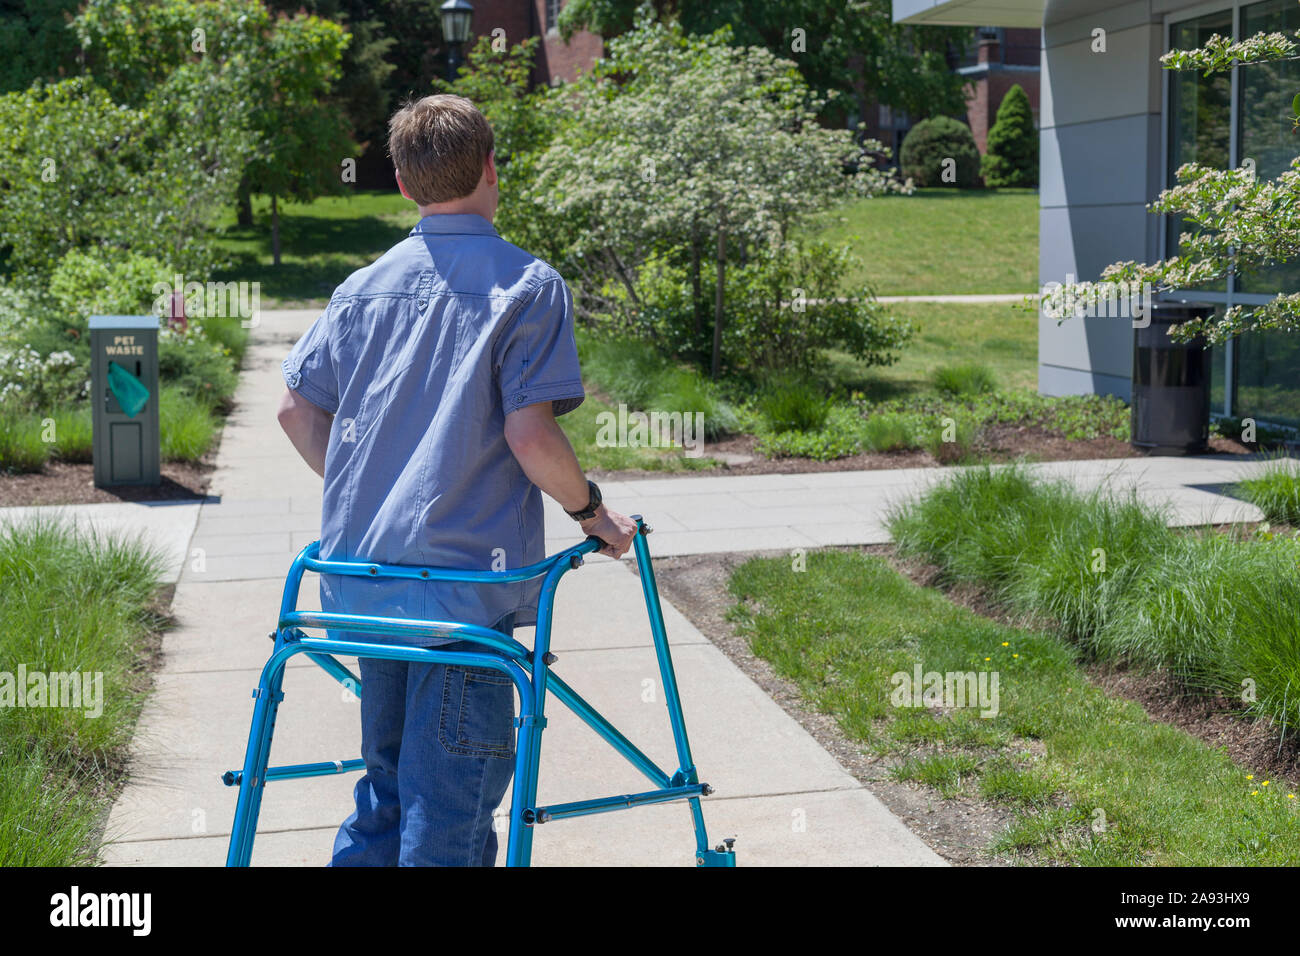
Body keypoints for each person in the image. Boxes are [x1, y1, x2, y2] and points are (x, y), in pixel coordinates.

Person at [275, 93, 638, 866]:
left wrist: (366, 486)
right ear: (491, 169)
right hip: (464, 597)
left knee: (385, 797)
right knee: (446, 815)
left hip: (368, 587)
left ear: (403, 185)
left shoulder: (360, 288)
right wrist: (592, 512)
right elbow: (530, 432)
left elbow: (293, 412)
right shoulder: (528, 285)